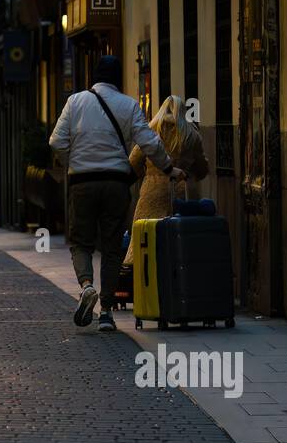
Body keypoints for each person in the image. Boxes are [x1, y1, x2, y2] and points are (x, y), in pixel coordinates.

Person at [49, 55, 185, 331]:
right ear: (118, 78)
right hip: (116, 183)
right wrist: (169, 169)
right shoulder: (129, 105)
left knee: (80, 242)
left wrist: (71, 163)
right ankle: (107, 312)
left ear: (94, 77)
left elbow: (56, 141)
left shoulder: (75, 102)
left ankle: (87, 285)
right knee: (111, 248)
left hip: (82, 183)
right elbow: (149, 142)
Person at [123, 95, 210, 267]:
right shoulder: (191, 135)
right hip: (179, 196)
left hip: (151, 194)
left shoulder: (151, 131)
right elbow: (202, 170)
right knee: (175, 244)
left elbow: (133, 163)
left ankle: (145, 284)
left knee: (144, 240)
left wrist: (146, 173)